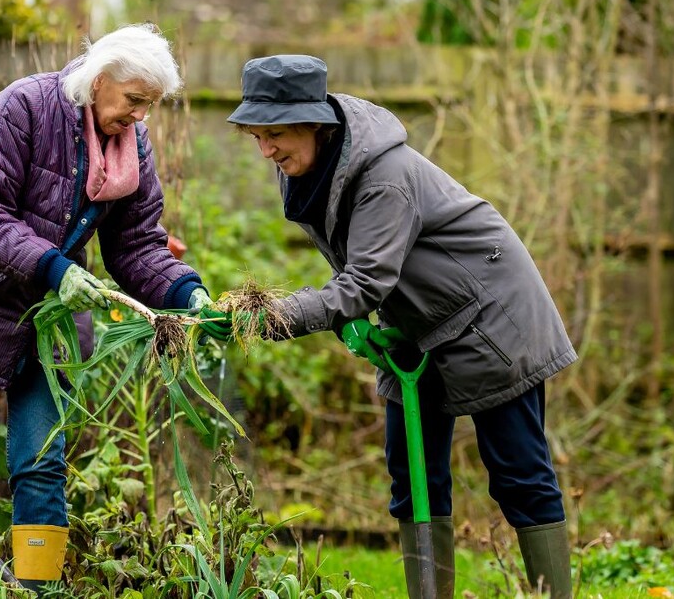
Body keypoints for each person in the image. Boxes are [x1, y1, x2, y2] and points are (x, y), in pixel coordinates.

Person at [201, 55, 575, 599]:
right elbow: (355, 271)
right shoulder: (308, 173)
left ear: (317, 124)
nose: (267, 151)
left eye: (276, 134)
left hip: (492, 319)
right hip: (419, 327)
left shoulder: (384, 178)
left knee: (519, 474)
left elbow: (364, 282)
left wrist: (274, 315)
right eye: (257, 137)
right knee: (412, 476)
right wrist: (350, 324)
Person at [0, 24, 212, 595]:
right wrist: (55, 267)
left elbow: (137, 245)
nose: (140, 117)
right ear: (99, 80)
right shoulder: (21, 109)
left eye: (150, 106)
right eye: (134, 101)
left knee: (40, 462)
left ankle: (38, 591)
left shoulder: (129, 146)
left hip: (49, 319)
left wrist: (185, 291)